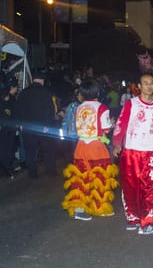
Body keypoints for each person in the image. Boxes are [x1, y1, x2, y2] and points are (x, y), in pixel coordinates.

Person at [113, 73, 153, 235]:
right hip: (131, 151)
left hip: (152, 152)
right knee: (131, 186)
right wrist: (117, 143)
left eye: (151, 83)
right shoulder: (132, 104)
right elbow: (121, 123)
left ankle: (151, 221)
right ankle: (134, 218)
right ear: (139, 85)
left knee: (152, 187)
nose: (149, 86)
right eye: (145, 83)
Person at [61, 79, 118, 220]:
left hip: (81, 146)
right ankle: (100, 207)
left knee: (80, 178)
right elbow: (105, 129)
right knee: (100, 177)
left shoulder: (79, 107)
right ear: (98, 92)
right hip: (96, 146)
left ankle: (79, 210)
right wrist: (112, 123)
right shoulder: (102, 108)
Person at [15, 73, 58, 178]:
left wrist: (20, 123)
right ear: (42, 81)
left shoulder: (23, 93)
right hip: (43, 127)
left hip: (27, 127)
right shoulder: (46, 93)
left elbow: (18, 110)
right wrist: (48, 125)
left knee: (30, 151)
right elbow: (50, 110)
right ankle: (50, 171)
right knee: (48, 149)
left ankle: (32, 173)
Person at [0, 78, 19, 178]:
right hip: (1, 131)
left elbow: (14, 114)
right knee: (3, 151)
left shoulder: (10, 101)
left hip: (8, 131)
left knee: (9, 151)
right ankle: (1, 171)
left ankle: (7, 168)